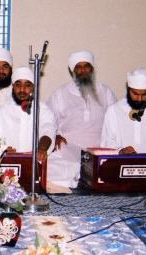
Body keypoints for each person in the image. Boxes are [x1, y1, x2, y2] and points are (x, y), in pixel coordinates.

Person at [46, 50, 116, 189]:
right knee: (46, 168)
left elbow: (117, 122)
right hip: (69, 149)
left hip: (99, 150)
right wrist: (55, 135)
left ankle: (84, 173)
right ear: (73, 71)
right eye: (79, 67)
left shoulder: (106, 92)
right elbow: (47, 120)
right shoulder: (60, 93)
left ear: (92, 69)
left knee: (118, 168)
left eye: (86, 66)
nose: (83, 70)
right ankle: (84, 173)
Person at [0, 67, 56, 163]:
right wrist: (2, 150)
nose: (22, 89)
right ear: (13, 87)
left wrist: (41, 148)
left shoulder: (43, 111)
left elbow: (48, 130)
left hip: (36, 164)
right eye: (18, 85)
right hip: (5, 167)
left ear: (33, 88)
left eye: (27, 85)